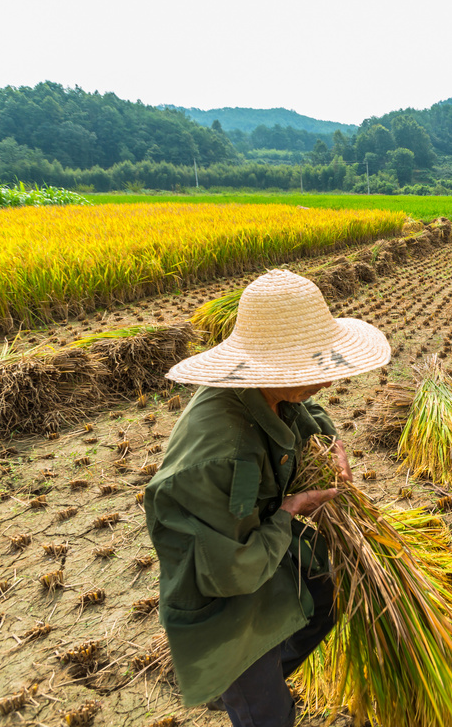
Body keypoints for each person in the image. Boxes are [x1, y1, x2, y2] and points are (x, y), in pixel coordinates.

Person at [144, 269, 390, 725]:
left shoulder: (269, 391)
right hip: (221, 592)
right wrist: (293, 510)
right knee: (267, 714)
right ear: (271, 369)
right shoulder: (222, 456)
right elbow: (228, 571)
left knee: (327, 596)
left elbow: (304, 411)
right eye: (314, 370)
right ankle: (248, 690)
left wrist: (328, 448)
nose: (328, 381)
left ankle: (263, 679)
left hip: (259, 542)